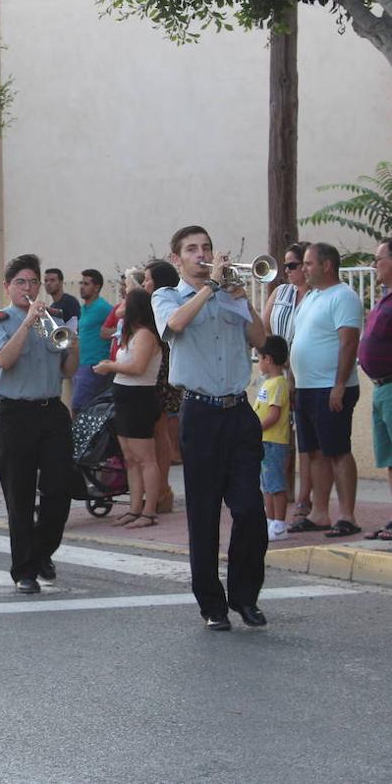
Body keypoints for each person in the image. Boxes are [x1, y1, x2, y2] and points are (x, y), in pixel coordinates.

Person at [152, 225, 268, 631]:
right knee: (203, 516)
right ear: (177, 259)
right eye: (192, 249)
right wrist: (211, 288)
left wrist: (244, 301)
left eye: (206, 248)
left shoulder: (230, 296)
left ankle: (245, 596)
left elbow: (261, 339)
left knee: (251, 510)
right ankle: (212, 604)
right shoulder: (165, 296)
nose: (201, 254)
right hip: (199, 414)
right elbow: (177, 326)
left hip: (238, 412)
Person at [0, 254, 79, 595]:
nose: (28, 288)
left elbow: (68, 371)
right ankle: (25, 568)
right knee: (19, 494)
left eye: (33, 282)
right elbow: (4, 361)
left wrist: (73, 342)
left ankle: (41, 551)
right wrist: (26, 323)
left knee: (60, 490)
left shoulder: (54, 319)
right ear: (8, 286)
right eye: (21, 282)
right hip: (15, 414)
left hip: (51, 410)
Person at [288, 242, 364, 538]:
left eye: (307, 263)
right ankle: (319, 513)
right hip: (307, 387)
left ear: (327, 265)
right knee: (315, 452)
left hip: (330, 387)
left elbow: (348, 343)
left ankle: (347, 515)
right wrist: (295, 381)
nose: (303, 269)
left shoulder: (343, 296)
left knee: (337, 450)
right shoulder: (311, 297)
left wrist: (340, 384)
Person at [93, 289, 163, 529]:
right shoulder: (129, 334)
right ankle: (134, 508)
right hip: (123, 397)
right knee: (130, 458)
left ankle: (150, 510)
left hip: (139, 399)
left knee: (145, 458)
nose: (120, 305)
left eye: (125, 302)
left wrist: (110, 366)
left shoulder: (145, 335)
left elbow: (138, 367)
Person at [263, 241, 313, 520]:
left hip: (304, 373)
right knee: (280, 436)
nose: (288, 271)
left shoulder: (315, 295)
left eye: (293, 265)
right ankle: (284, 492)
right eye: (286, 266)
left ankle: (304, 498)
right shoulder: (281, 291)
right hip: (281, 371)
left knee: (303, 439)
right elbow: (267, 323)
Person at [142, 261, 182, 514]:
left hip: (163, 372)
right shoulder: (150, 301)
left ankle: (163, 489)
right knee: (156, 432)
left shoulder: (166, 301)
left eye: (148, 278)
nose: (145, 283)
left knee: (161, 431)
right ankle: (157, 488)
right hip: (155, 372)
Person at [361, 238, 392, 541]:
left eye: (379, 259)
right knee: (389, 459)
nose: (374, 265)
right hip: (381, 388)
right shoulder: (385, 297)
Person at [254, 336, 292, 542]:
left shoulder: (278, 384)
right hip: (264, 441)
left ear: (268, 359)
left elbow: (274, 415)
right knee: (266, 484)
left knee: (276, 483)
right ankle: (270, 521)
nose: (259, 363)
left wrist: (255, 429)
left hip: (274, 442)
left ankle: (279, 524)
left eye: (259, 358)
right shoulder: (268, 384)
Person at [72, 269, 114, 412]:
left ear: (96, 287)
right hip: (82, 363)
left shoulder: (103, 307)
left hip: (95, 363)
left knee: (78, 407)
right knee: (83, 407)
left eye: (86, 283)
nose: (81, 287)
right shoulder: (83, 308)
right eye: (81, 283)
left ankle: (78, 435)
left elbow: (122, 325)